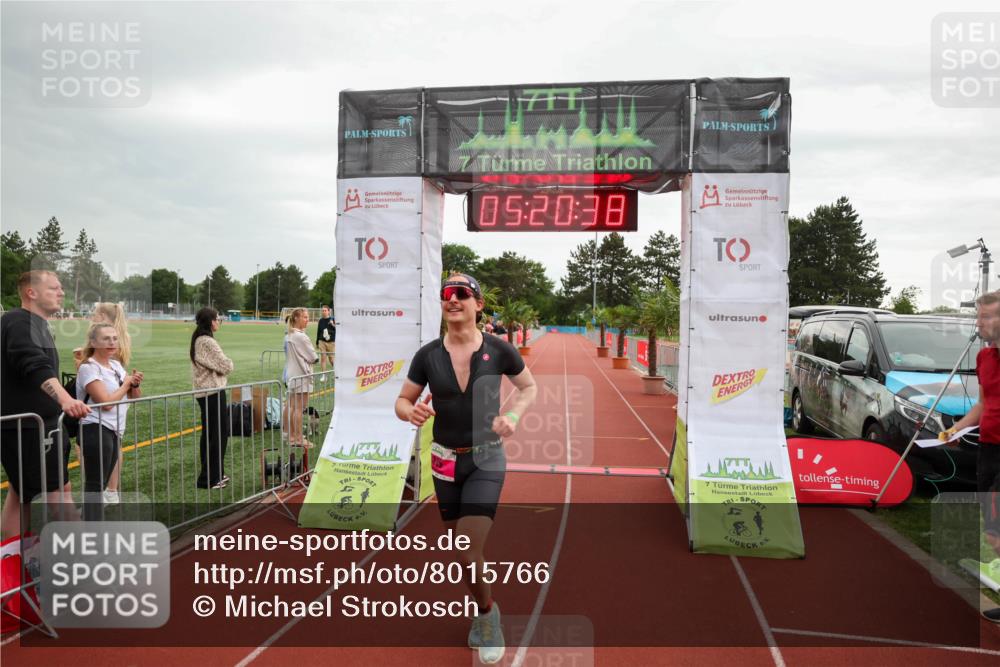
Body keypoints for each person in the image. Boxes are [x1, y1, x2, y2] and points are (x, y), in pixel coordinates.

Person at [395, 273, 537, 664]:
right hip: (443, 459)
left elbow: (529, 388)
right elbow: (402, 402)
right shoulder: (427, 356)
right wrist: (413, 411)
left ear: (478, 304)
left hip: (487, 456)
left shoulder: (500, 349)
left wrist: (514, 414)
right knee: (463, 554)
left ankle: (488, 616)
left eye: (462, 293)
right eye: (446, 294)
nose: (452, 299)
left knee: (467, 547)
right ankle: (484, 605)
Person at [1, 271, 89, 539]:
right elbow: (34, 365)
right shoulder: (19, 322)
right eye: (54, 288)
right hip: (30, 430)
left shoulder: (34, 323)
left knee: (20, 495)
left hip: (39, 428)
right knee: (57, 497)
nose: (61, 292)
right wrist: (65, 400)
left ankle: (11, 565)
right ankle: (82, 562)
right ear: (32, 292)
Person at [943, 291, 1000, 622]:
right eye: (979, 317)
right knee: (993, 532)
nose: (980, 323)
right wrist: (956, 428)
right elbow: (982, 403)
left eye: (987, 316)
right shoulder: (983, 358)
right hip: (987, 450)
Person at [75, 323, 143, 519]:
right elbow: (105, 403)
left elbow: (135, 397)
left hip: (114, 429)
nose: (112, 342)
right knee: (96, 484)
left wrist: (134, 384)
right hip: (95, 429)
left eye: (114, 338)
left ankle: (89, 522)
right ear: (94, 342)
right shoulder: (89, 367)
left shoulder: (115, 365)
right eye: (106, 339)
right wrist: (127, 384)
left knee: (102, 482)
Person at [91, 302, 132, 504]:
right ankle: (111, 490)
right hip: (118, 396)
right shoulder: (122, 336)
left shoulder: (106, 338)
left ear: (105, 316)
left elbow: (101, 365)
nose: (92, 317)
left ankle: (101, 491)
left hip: (108, 395)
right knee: (115, 444)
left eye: (96, 314)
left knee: (95, 447)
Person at [190, 307, 233, 489]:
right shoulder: (206, 341)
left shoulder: (199, 339)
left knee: (212, 434)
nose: (219, 322)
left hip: (207, 392)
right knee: (216, 435)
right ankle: (211, 478)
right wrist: (230, 364)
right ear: (210, 321)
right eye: (217, 319)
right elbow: (226, 365)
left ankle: (214, 474)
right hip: (212, 392)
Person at [284, 307, 319, 448]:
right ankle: (298, 439)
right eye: (304, 317)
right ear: (296, 318)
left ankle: (292, 437)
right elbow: (313, 357)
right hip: (301, 375)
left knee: (293, 407)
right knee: (299, 408)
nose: (307, 320)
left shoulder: (288, 335)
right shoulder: (300, 336)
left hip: (292, 375)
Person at [316, 305, 336, 373]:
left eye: (325, 310)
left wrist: (332, 324)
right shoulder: (321, 321)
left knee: (331, 359)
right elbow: (318, 331)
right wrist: (317, 342)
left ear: (328, 312)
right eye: (323, 311)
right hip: (322, 341)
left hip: (331, 342)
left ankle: (337, 372)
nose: (323, 312)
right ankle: (324, 375)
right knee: (323, 358)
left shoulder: (333, 319)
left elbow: (339, 330)